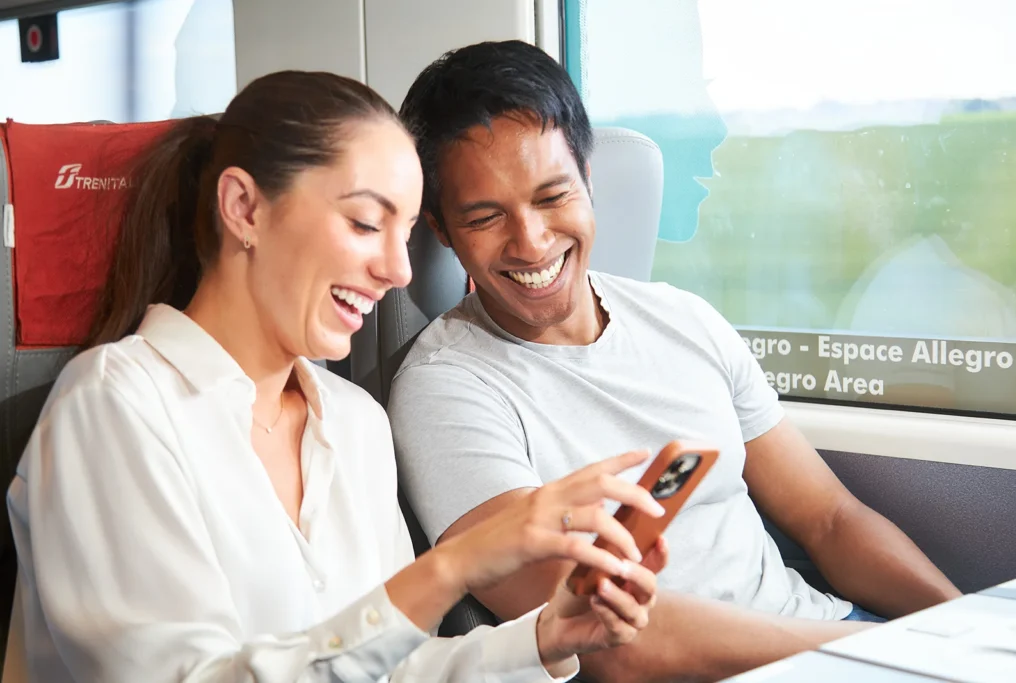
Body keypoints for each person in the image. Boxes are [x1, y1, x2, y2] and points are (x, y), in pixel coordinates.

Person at [4, 70, 670, 683]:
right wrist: (453, 565)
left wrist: (544, 638)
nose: (399, 271)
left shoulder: (355, 423)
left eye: (404, 232)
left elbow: (391, 666)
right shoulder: (115, 405)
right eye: (364, 223)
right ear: (244, 207)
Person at [388, 40, 963, 683]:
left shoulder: (684, 320)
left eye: (552, 197)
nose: (531, 241)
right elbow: (605, 640)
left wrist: (966, 635)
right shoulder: (446, 389)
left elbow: (829, 518)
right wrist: (861, 651)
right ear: (440, 229)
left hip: (831, 639)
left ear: (588, 181)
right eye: (487, 216)